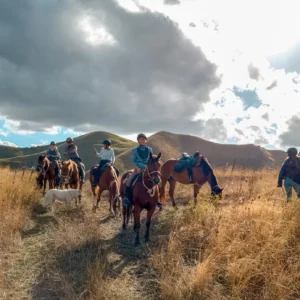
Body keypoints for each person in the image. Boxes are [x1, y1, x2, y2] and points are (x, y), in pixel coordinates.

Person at [122, 133, 162, 208]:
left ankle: (157, 199)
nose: (142, 140)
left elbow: (150, 159)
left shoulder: (150, 149)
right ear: (138, 141)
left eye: (144, 139)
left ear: (146, 140)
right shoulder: (134, 150)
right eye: (141, 139)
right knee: (129, 181)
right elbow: (134, 160)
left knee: (157, 181)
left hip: (148, 169)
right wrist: (137, 167)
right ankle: (127, 198)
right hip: (138, 168)